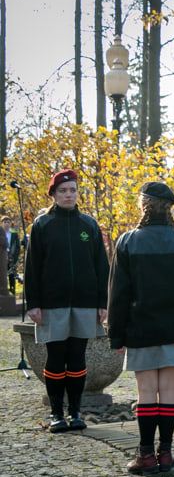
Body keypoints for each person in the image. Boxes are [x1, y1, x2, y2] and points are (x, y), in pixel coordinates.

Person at [108, 182, 174, 475]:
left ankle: (146, 454)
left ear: (144, 206)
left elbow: (119, 293)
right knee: (169, 390)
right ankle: (166, 453)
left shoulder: (127, 241)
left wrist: (116, 332)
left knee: (147, 391)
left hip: (141, 326)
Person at [24, 169, 109, 433]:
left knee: (77, 359)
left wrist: (102, 302)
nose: (68, 194)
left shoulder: (89, 225)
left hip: (84, 303)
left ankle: (75, 412)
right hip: (52, 304)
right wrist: (33, 303)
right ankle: (56, 412)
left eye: (72, 190)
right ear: (54, 194)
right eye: (63, 191)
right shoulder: (42, 225)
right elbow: (32, 267)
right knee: (55, 358)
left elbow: (101, 266)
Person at [2, 216, 21, 296]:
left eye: (8, 222)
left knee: (12, 275)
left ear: (10, 224)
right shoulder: (1, 233)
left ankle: (12, 291)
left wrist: (15, 256)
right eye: (5, 222)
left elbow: (17, 246)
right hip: (2, 257)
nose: (6, 224)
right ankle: (3, 292)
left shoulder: (14, 234)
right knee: (2, 275)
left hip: (11, 257)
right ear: (1, 224)